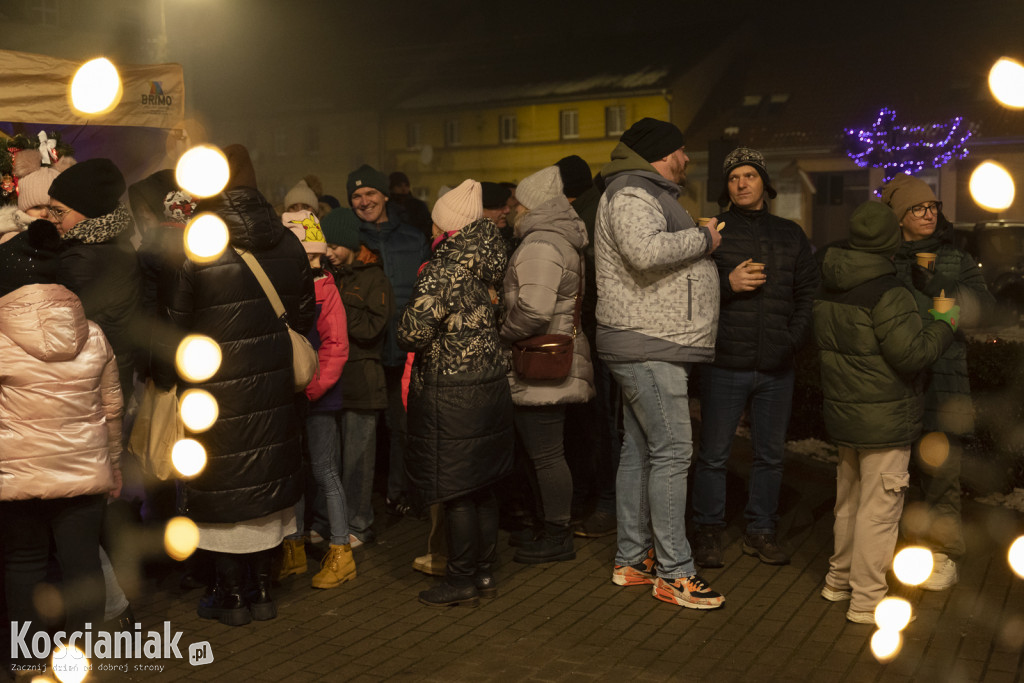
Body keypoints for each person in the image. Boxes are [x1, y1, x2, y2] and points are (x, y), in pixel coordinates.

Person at [153, 144, 315, 626]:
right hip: (273, 390)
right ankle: (263, 590)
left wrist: (166, 382)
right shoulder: (287, 241)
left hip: (215, 390)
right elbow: (304, 315)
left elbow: (174, 328)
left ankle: (229, 596)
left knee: (222, 487)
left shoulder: (197, 243)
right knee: (264, 484)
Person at [594, 117, 724, 609]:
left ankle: (632, 559)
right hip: (648, 343)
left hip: (651, 340)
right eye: (681, 151)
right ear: (662, 153)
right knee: (672, 452)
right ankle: (674, 572)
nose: (687, 159)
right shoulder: (631, 192)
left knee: (641, 450)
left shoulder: (644, 191)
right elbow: (645, 251)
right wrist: (706, 239)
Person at [814, 200, 957, 624]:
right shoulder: (887, 291)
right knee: (880, 510)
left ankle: (838, 581)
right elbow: (911, 354)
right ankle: (867, 601)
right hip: (885, 419)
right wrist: (943, 322)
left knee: (849, 503)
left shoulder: (830, 283)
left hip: (845, 415)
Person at [690, 147, 819, 568]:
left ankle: (761, 529)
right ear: (726, 186)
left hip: (776, 366)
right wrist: (726, 284)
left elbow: (808, 295)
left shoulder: (791, 234)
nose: (742, 183)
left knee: (770, 455)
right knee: (713, 455)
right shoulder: (714, 232)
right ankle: (708, 531)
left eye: (749, 175)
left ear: (765, 181)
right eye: (734, 177)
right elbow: (688, 291)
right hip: (725, 363)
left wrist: (791, 340)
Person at [398, 179, 514, 606]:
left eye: (434, 222)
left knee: (457, 490)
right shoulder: (488, 261)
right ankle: (483, 572)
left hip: (453, 392)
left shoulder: (444, 270)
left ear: (447, 227)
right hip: (490, 388)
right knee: (482, 487)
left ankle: (460, 578)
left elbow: (411, 332)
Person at [0, 282, 123, 673]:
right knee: (83, 565)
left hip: (18, 476)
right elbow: (113, 406)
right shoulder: (95, 335)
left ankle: (27, 663)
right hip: (84, 471)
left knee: (23, 565)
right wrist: (114, 463)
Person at [882, 174, 995, 591]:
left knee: (944, 469)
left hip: (946, 377)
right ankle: (904, 547)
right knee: (896, 471)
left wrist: (940, 286)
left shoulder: (954, 256)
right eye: (917, 208)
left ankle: (944, 554)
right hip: (898, 378)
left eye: (932, 207)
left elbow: (983, 308)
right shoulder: (886, 257)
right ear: (899, 218)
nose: (928, 213)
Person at [501, 165, 594, 564]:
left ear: (531, 206)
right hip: (554, 358)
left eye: (516, 203)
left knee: (546, 455)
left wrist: (501, 331)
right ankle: (548, 528)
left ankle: (557, 535)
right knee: (546, 452)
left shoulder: (540, 243)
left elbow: (534, 310)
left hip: (541, 360)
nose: (510, 210)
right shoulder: (560, 239)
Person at [277, 210, 355, 589]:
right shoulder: (286, 289)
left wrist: (313, 388)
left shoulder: (327, 291)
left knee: (324, 470)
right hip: (293, 396)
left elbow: (337, 347)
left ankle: (341, 550)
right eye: (306, 257)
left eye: (317, 257)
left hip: (317, 397)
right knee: (292, 471)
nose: (315, 264)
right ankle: (293, 547)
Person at [347, 164, 430, 517]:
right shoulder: (350, 240)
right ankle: (363, 501)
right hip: (366, 351)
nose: (364, 201)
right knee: (364, 433)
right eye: (357, 196)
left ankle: (399, 494)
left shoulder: (412, 238)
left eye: (370, 194)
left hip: (405, 349)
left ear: (384, 195)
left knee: (403, 429)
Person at [321, 207, 394, 548]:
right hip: (332, 382)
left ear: (350, 243)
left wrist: (335, 305)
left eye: (335, 246)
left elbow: (371, 328)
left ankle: (359, 524)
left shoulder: (373, 277)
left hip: (363, 381)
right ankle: (333, 523)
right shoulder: (328, 273)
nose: (330, 253)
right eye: (326, 247)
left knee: (358, 463)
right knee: (332, 461)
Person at [47, 158, 142, 405]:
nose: (52, 219)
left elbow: (57, 327)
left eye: (59, 211)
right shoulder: (113, 241)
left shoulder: (84, 257)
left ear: (88, 210)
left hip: (92, 380)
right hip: (111, 369)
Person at [389, 171, 433, 240]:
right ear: (391, 187)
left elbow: (427, 227)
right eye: (399, 185)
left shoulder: (418, 205)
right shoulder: (387, 206)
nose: (403, 189)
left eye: (406, 185)